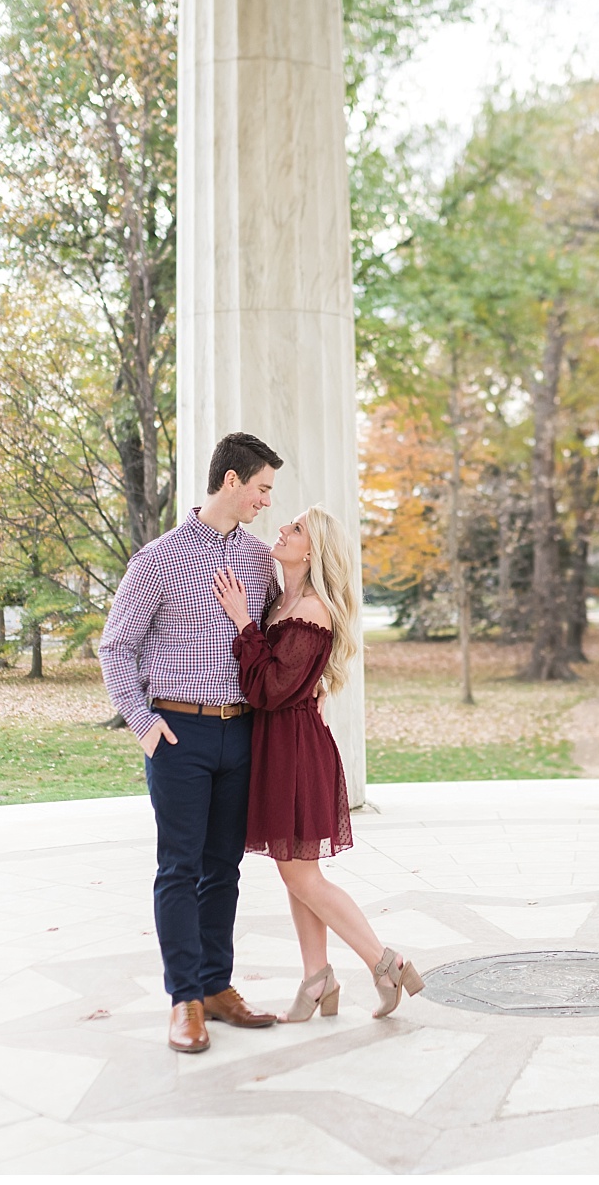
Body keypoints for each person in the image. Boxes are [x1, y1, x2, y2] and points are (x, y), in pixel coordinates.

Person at [99, 431, 286, 1054]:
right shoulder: (159, 558)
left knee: (223, 869)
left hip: (243, 733)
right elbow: (117, 647)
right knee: (179, 868)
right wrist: (143, 723)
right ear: (231, 481)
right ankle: (183, 1000)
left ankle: (217, 987)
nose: (266, 500)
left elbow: (273, 641)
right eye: (261, 488)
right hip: (179, 732)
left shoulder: (260, 563)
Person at [212, 505, 423, 1022]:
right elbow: (287, 678)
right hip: (278, 743)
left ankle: (385, 962)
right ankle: (317, 980)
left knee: (302, 876)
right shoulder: (284, 601)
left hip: (295, 749)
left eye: (296, 528)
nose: (281, 529)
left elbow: (269, 689)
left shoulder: (312, 610)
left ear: (312, 551)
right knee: (298, 872)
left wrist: (242, 621)